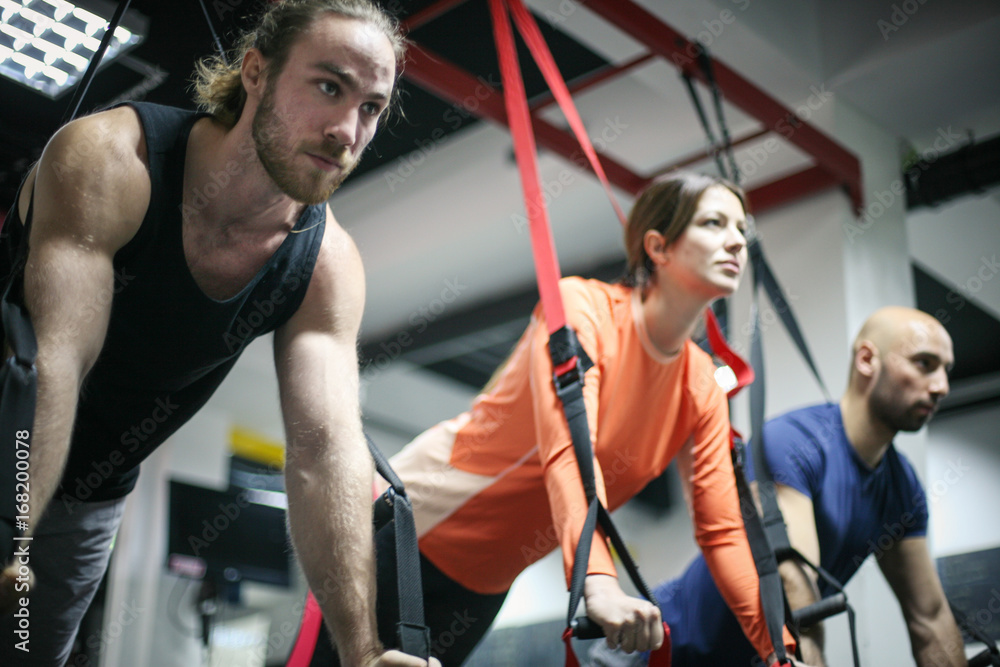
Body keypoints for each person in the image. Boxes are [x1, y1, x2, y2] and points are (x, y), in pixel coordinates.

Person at [0, 1, 437, 665]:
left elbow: (325, 448)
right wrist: (12, 535)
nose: (347, 129)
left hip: (91, 498)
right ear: (256, 72)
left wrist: (362, 652)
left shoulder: (326, 263)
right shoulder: (114, 160)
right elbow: (59, 362)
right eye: (329, 86)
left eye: (372, 107)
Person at [307, 171, 798, 666]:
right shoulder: (581, 308)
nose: (737, 240)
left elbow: (722, 530)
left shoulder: (700, 386)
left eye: (742, 227)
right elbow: (567, 449)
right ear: (659, 246)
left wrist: (778, 650)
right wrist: (599, 582)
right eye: (715, 223)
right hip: (406, 531)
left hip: (486, 581)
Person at [590, 306, 968, 666]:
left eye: (946, 370)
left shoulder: (903, 489)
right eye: (924, 364)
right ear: (868, 360)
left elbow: (929, 618)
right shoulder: (793, 441)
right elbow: (793, 581)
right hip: (656, 652)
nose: (941, 386)